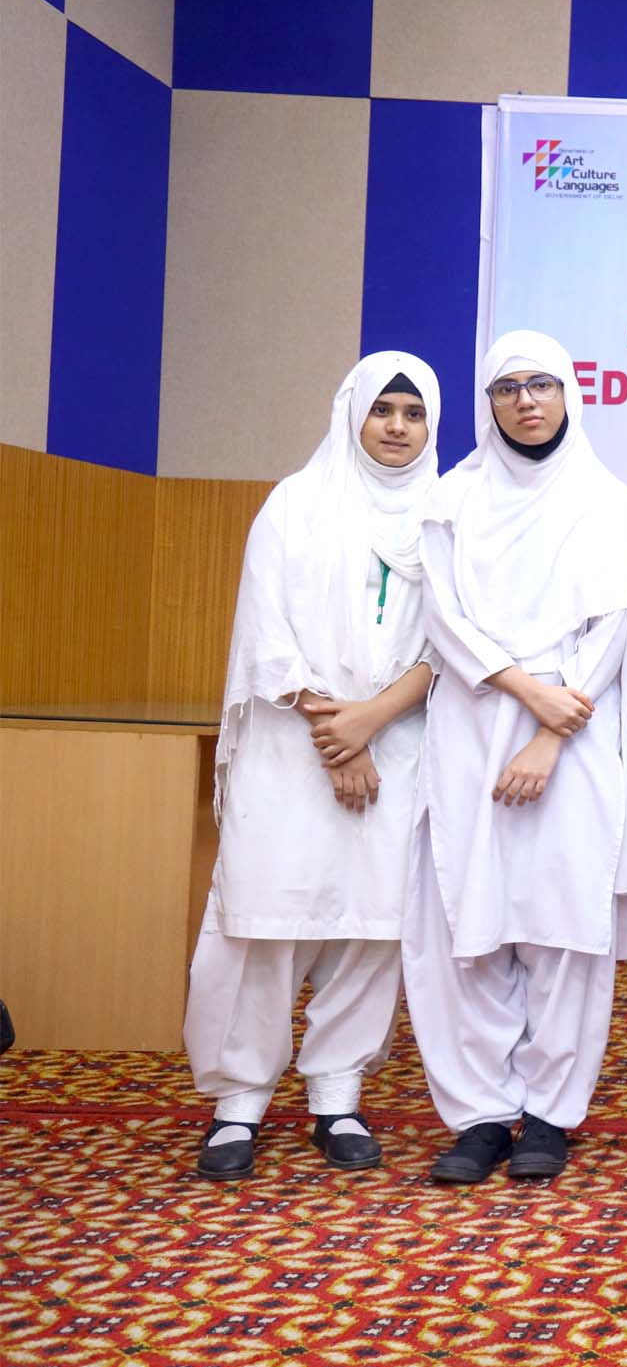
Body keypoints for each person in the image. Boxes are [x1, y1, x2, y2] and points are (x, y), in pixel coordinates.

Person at [185, 352, 442, 1179]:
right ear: (352, 415)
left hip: (398, 742)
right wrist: (337, 730)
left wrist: (370, 724)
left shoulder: (445, 515)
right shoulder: (294, 504)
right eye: (383, 410)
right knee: (267, 921)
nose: (397, 427)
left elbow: (451, 643)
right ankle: (239, 1102)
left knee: (372, 926)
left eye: (413, 413)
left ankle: (337, 1093)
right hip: (291, 743)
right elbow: (265, 630)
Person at [403, 330, 627, 1185]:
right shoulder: (452, 500)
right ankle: (479, 1116)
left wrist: (550, 729)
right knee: (465, 922)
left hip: (575, 727)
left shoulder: (609, 500)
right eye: (508, 388)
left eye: (542, 384)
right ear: (489, 403)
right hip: (473, 718)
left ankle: (548, 1114)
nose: (526, 401)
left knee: (563, 922)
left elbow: (614, 623)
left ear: (569, 393)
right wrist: (522, 690)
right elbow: (442, 618)